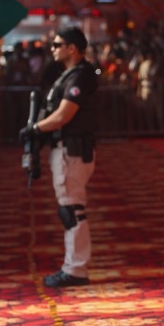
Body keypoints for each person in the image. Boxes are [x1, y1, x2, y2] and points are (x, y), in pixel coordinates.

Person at [23, 27, 99, 288]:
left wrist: (36, 128)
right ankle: (73, 266)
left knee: (71, 210)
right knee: (70, 208)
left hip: (73, 151)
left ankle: (76, 269)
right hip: (69, 149)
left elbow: (64, 115)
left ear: (72, 49)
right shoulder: (70, 75)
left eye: (57, 45)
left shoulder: (79, 77)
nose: (53, 49)